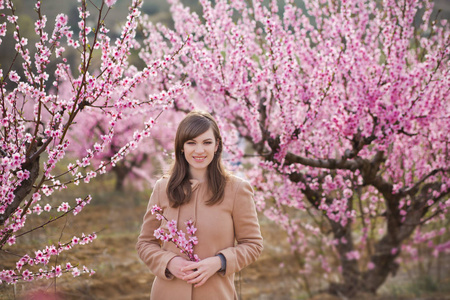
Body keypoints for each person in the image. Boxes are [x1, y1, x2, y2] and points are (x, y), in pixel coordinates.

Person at [136, 111, 263, 300]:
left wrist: (219, 262)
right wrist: (169, 262)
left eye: (207, 142)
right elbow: (145, 243)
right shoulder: (163, 188)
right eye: (191, 143)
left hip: (216, 294)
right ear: (181, 147)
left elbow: (253, 244)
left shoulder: (237, 189)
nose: (199, 151)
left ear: (217, 145)